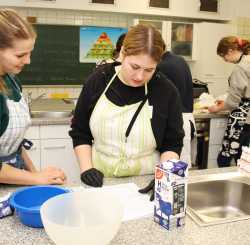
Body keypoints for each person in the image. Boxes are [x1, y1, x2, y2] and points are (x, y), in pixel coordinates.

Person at [69, 24, 184, 188]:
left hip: (146, 180)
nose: (139, 76)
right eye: (135, 67)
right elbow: (80, 131)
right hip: (100, 179)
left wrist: (164, 177)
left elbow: (172, 143)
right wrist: (87, 169)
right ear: (123, 52)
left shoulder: (166, 91)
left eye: (149, 70)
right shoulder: (98, 80)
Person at [0, 8, 66, 185]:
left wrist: (37, 176)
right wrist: (35, 178)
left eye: (30, 53)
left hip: (16, 176)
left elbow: (16, 144)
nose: (28, 61)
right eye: (20, 55)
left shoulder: (12, 81)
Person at [208, 36, 250, 167]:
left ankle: (223, 185)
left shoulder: (240, 68)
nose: (224, 60)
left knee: (225, 157)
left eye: (223, 55)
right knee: (244, 157)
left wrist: (217, 108)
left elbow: (233, 102)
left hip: (241, 118)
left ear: (231, 51)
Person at [157, 50, 195, 168]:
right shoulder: (180, 59)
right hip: (187, 119)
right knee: (181, 166)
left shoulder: (162, 66)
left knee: (171, 169)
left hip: (174, 121)